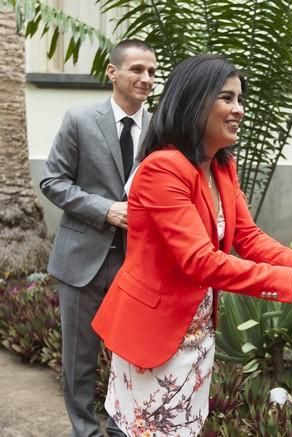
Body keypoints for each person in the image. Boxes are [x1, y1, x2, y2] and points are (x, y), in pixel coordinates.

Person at [91, 54, 292, 436]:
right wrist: (291, 284)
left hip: (195, 338)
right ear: (195, 102)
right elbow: (200, 261)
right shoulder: (163, 169)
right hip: (155, 337)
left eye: (240, 99)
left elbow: (247, 236)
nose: (238, 109)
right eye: (227, 98)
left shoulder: (222, 166)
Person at [40, 39, 157, 437]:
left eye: (152, 72)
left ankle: (120, 429)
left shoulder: (160, 130)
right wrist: (104, 209)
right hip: (81, 261)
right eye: (137, 69)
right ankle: (84, 431)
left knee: (132, 358)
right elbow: (52, 181)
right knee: (79, 361)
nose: (146, 79)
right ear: (113, 71)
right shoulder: (79, 120)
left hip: (138, 265)